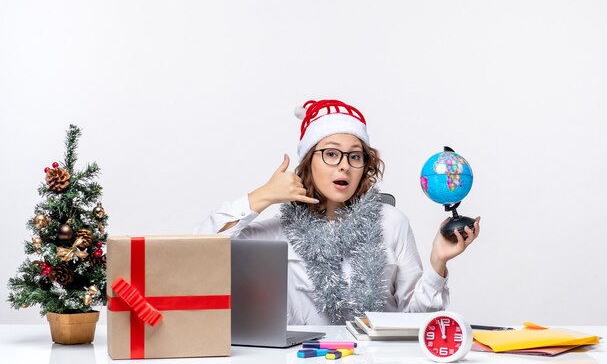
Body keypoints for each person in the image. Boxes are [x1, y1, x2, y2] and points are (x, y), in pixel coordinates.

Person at [197, 99, 480, 325]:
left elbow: (416, 321)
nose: (344, 165)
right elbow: (201, 252)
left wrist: (437, 262)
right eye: (331, 154)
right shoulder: (278, 229)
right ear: (309, 161)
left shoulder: (392, 223)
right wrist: (263, 196)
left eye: (354, 156)